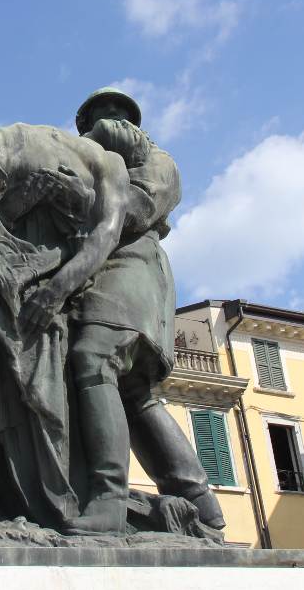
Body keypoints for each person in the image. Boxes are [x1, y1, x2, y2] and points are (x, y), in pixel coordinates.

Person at [64, 87, 226, 533]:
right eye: (103, 113)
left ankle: (108, 498)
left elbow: (134, 210)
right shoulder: (81, 165)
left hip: (131, 266)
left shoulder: (155, 160)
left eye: (123, 114)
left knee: (93, 358)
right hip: (92, 273)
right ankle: (202, 506)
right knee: (135, 395)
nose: (115, 119)